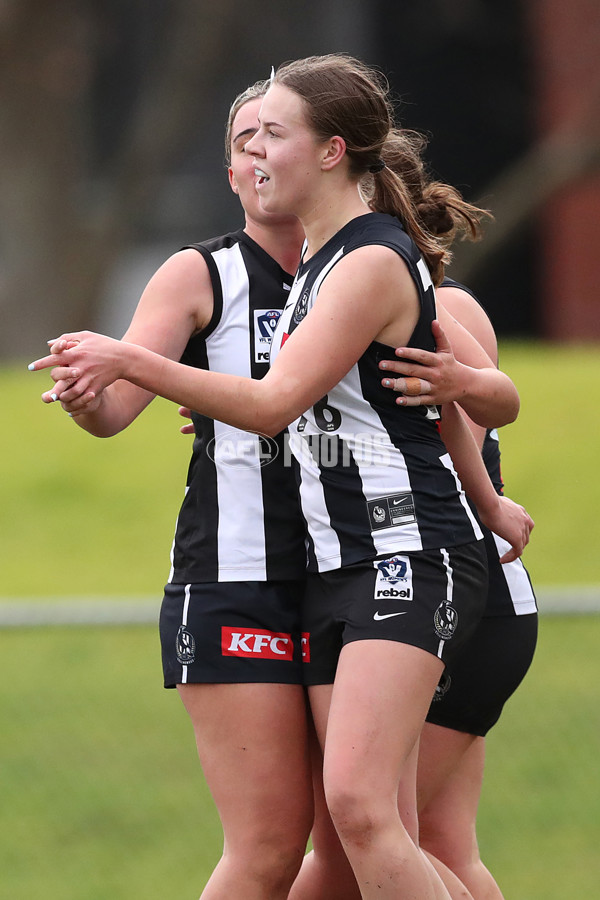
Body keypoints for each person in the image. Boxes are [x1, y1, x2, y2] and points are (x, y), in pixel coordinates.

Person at [30, 54, 534, 900]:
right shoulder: (296, 272)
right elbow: (255, 405)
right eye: (245, 139)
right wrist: (112, 388)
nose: (257, 153)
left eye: (275, 133)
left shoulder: (369, 264)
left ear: (332, 151)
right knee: (353, 836)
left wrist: (136, 362)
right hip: (308, 571)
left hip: (400, 557)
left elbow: (285, 403)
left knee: (372, 822)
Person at [379, 277, 538, 899]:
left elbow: (453, 446)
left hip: (458, 597)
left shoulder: (433, 308)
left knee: (361, 837)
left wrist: (489, 503)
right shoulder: (442, 299)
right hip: (479, 597)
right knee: (442, 845)